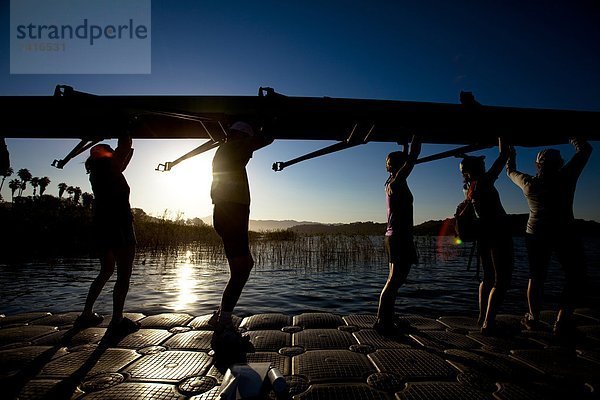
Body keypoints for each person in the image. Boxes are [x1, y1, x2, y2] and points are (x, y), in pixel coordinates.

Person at [507, 138, 592, 337]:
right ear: (560, 163)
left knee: (537, 277)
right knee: (575, 275)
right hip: (564, 233)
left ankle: (533, 318)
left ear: (538, 165)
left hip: (535, 234)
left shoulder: (529, 184)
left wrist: (511, 153)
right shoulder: (567, 177)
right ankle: (562, 320)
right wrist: (572, 137)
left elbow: (510, 171)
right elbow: (586, 149)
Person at [209, 121, 274, 331]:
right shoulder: (234, 147)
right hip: (232, 214)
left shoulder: (227, 149)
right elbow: (267, 137)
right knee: (242, 268)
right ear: (242, 137)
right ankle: (224, 320)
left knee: (243, 267)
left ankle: (222, 314)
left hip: (229, 213)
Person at [75, 136, 139, 336]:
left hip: (102, 225)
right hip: (119, 225)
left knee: (106, 270)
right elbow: (125, 145)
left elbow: (125, 156)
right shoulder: (110, 168)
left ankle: (86, 313)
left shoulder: (98, 172)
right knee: (123, 274)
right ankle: (117, 320)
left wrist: (127, 149)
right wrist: (125, 125)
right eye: (110, 150)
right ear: (106, 155)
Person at [459, 138, 513, 335]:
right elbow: (503, 157)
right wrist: (502, 137)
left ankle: (482, 317)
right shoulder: (483, 181)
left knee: (488, 277)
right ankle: (489, 324)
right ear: (477, 169)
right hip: (497, 233)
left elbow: (470, 168)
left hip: (483, 235)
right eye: (481, 163)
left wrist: (467, 159)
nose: (484, 164)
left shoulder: (468, 186)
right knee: (502, 280)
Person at [374, 135, 421, 335]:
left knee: (394, 280)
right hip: (399, 237)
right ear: (399, 166)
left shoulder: (392, 181)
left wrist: (403, 144)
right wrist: (417, 136)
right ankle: (382, 321)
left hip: (394, 236)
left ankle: (386, 318)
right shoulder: (397, 182)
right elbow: (413, 156)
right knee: (395, 281)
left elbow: (407, 158)